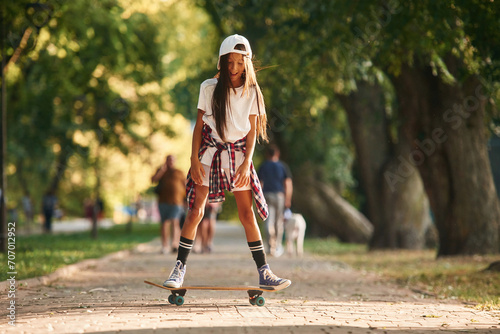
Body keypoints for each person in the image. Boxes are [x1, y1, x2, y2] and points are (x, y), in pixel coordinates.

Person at [163, 34, 291, 290]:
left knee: (246, 214)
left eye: (239, 62)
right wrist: (194, 160)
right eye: (229, 62)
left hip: (239, 155)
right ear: (221, 61)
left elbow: (253, 131)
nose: (233, 68)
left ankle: (264, 272)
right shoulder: (208, 87)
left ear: (247, 64)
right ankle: (178, 269)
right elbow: (199, 125)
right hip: (210, 152)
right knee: (196, 210)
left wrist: (247, 164)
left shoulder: (252, 91)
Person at [258, 144, 293, 257]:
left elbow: (260, 184)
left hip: (266, 195)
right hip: (279, 196)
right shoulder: (283, 166)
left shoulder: (263, 166)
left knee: (268, 220)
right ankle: (277, 245)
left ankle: (269, 247)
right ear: (277, 154)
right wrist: (288, 198)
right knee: (278, 221)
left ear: (267, 154)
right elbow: (287, 183)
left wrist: (259, 199)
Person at [152, 155, 185, 254]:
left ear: (175, 161)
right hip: (163, 201)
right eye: (168, 160)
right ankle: (164, 245)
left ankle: (174, 244)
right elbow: (153, 180)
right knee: (164, 223)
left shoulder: (179, 172)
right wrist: (162, 170)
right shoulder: (161, 171)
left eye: (172, 160)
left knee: (175, 222)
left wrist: (186, 200)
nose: (170, 162)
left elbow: (185, 185)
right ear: (165, 161)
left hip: (177, 202)